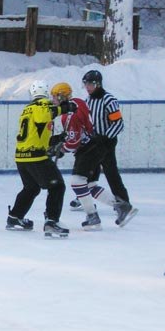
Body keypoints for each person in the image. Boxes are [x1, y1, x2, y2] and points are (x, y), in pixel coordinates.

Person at [49, 82, 119, 231]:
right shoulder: (79, 101)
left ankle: (93, 217)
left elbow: (74, 142)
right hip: (95, 145)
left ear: (62, 96)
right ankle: (121, 206)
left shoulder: (68, 115)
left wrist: (61, 149)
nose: (53, 100)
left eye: (55, 97)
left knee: (77, 182)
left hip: (88, 149)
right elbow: (79, 130)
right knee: (89, 185)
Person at [6, 80, 71, 238]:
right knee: (57, 186)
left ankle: (15, 217)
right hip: (36, 157)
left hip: (22, 158)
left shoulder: (27, 109)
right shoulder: (42, 105)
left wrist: (57, 139)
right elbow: (44, 117)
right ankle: (52, 222)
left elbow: (38, 135)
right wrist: (64, 108)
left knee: (31, 188)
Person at [72, 69, 137, 227]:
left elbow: (118, 123)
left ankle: (123, 202)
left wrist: (105, 138)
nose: (87, 87)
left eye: (90, 84)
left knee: (109, 172)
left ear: (98, 84)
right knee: (95, 174)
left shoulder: (109, 100)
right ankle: (89, 196)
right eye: (85, 84)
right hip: (95, 142)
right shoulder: (88, 101)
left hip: (105, 142)